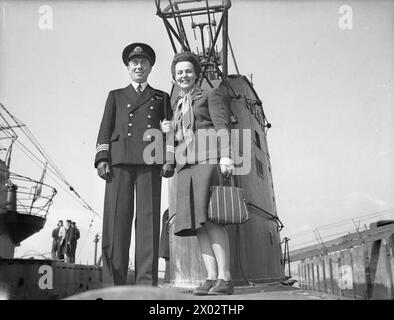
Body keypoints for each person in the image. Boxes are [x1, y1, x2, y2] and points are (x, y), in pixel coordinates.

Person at [95, 42, 172, 286]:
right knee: (116, 222)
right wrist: (102, 158)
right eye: (134, 63)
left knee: (148, 223)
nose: (139, 66)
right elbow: (105, 128)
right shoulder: (115, 96)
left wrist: (169, 158)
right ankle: (113, 284)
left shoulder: (161, 97)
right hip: (119, 161)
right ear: (128, 68)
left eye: (144, 63)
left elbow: (170, 132)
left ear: (150, 68)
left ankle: (146, 285)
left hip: (150, 161)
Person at [160, 52, 235, 295]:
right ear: (174, 77)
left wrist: (226, 156)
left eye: (188, 71)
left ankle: (225, 278)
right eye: (179, 72)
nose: (184, 75)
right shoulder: (177, 105)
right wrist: (169, 129)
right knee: (198, 224)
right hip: (185, 166)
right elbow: (179, 134)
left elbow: (221, 126)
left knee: (212, 219)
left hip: (207, 160)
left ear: (196, 74)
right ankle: (210, 277)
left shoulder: (210, 95)